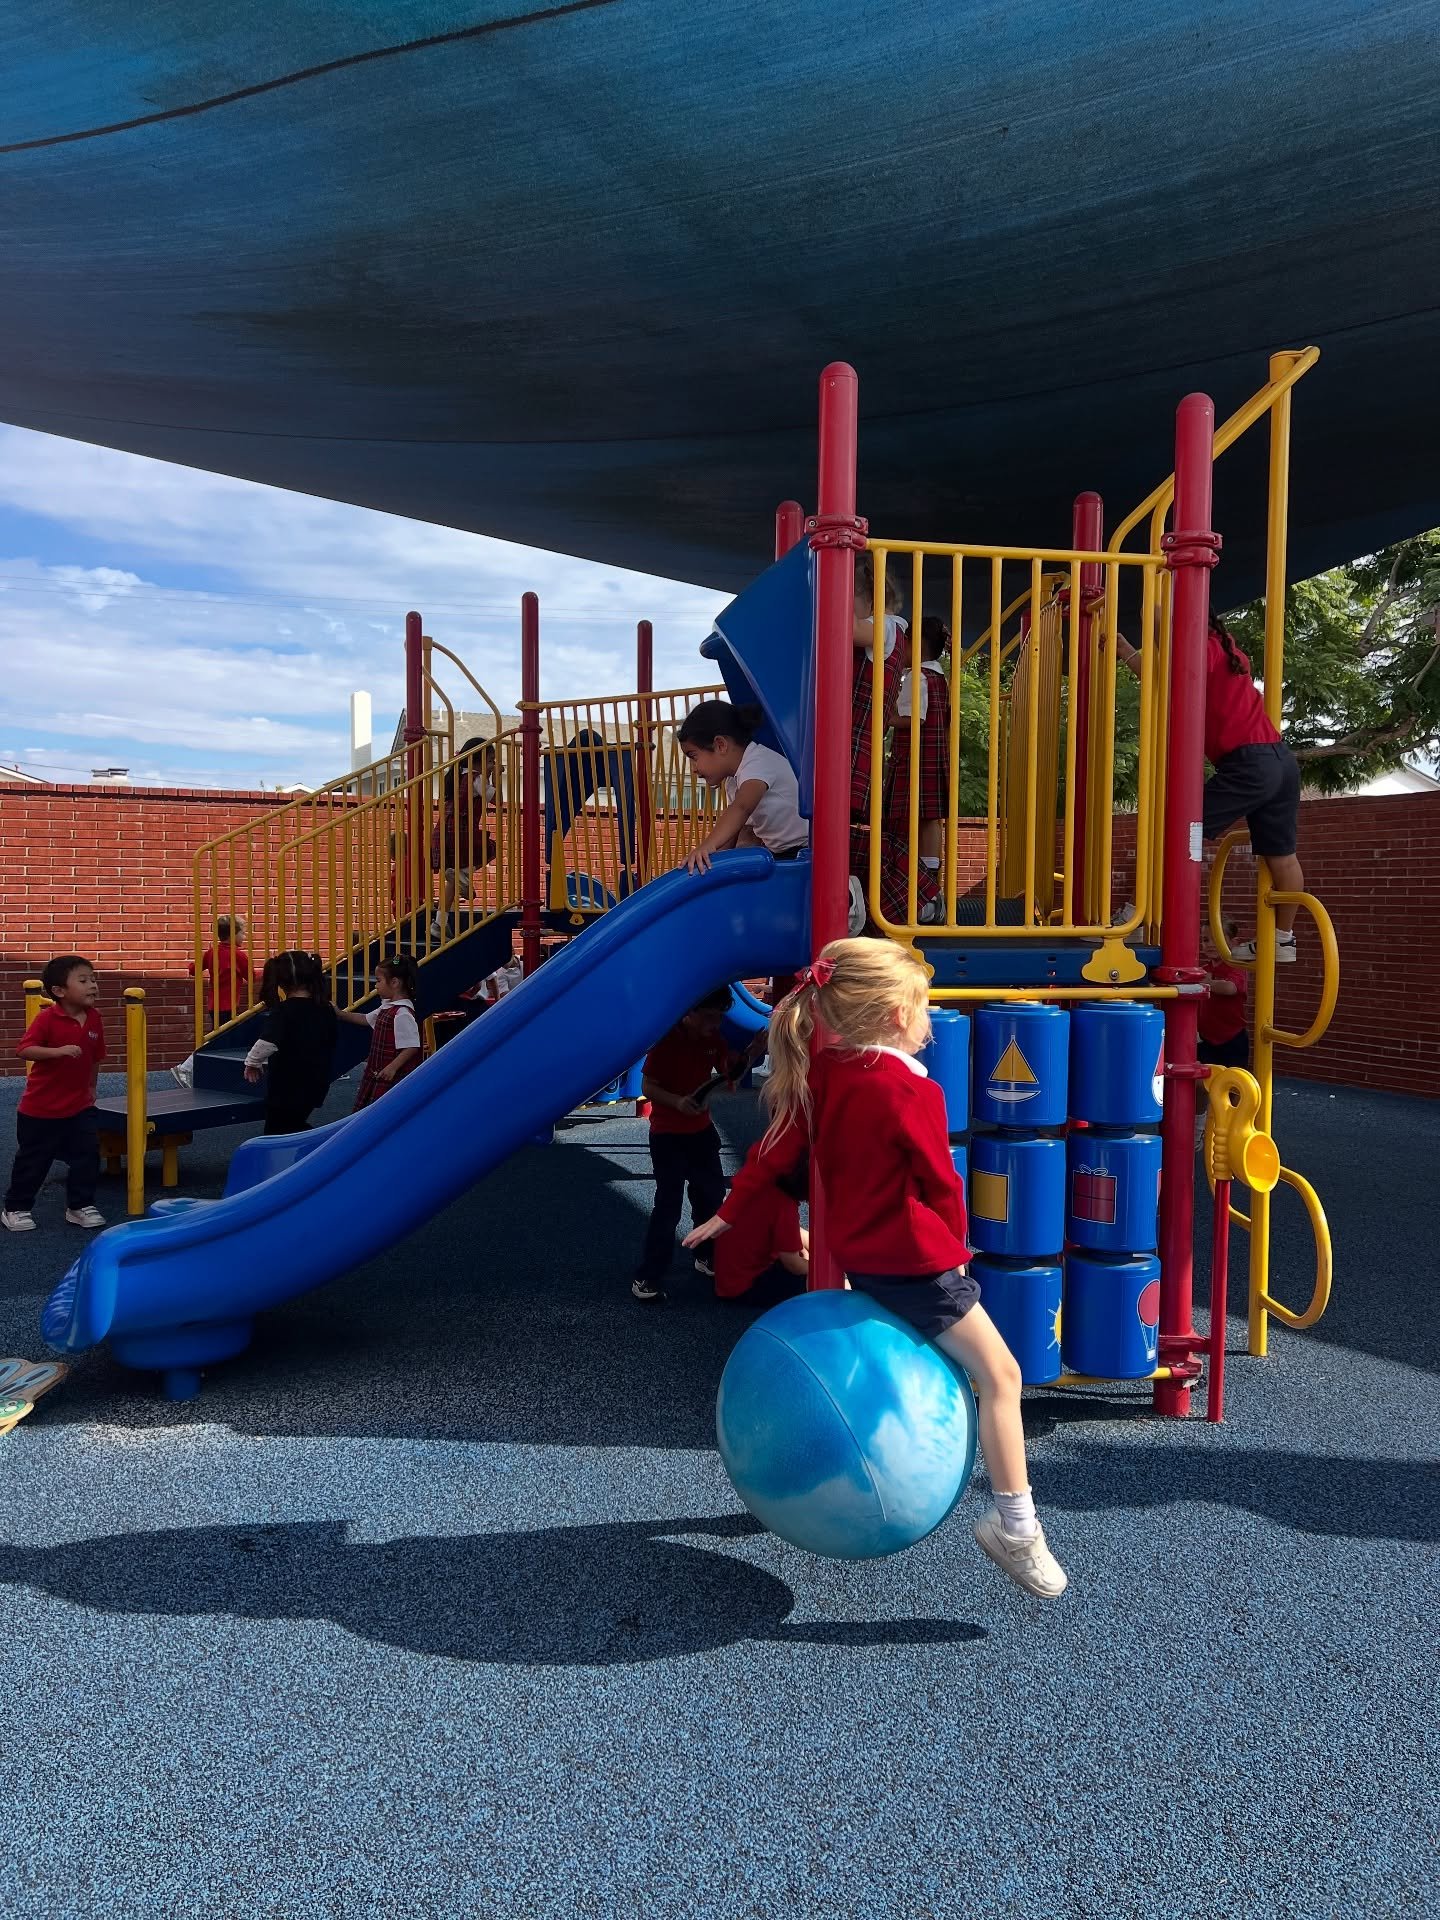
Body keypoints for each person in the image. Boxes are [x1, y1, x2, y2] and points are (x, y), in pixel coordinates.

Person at [686, 939, 1068, 1599]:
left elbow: (776, 1150)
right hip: (915, 1264)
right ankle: (1017, 1527)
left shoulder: (826, 1070)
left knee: (938, 1361)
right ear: (895, 1014)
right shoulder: (908, 1091)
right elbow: (941, 1181)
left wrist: (731, 1210)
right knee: (1002, 1377)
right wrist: (957, 1247)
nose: (928, 1025)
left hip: (865, 1259)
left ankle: (820, 1456)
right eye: (924, 1011)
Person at [1117, 615, 1304, 962]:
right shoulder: (1224, 644)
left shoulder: (1199, 649)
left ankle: (1136, 917)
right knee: (1283, 857)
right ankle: (1283, 939)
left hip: (1249, 763)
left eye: (1159, 620)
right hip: (1280, 760)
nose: (1155, 627)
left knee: (1171, 831)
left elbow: (1164, 685)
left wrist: (1126, 650)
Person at [632, 987, 757, 1303]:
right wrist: (677, 1101)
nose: (715, 1023)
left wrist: (753, 1052)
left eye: (719, 1017)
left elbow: (727, 1072)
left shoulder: (712, 1040)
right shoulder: (667, 1042)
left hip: (701, 1131)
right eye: (709, 1017)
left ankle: (705, 1255)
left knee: (711, 1195)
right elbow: (648, 1085)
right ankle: (648, 1275)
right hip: (668, 1135)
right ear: (689, 1014)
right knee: (668, 1206)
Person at [3, 955, 107, 1232]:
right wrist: (57, 1052)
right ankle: (16, 1208)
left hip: (79, 1105)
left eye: (93, 979)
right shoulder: (48, 1018)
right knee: (34, 1161)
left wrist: (91, 1087)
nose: (92, 985)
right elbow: (24, 1049)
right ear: (59, 991)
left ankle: (79, 1206)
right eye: (83, 980)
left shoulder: (94, 1018)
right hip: (40, 1109)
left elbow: (95, 1057)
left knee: (87, 1154)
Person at [677, 701, 809, 872]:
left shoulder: (758, 762)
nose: (693, 768)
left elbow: (742, 808)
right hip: (781, 853)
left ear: (720, 745)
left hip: (806, 850)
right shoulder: (733, 781)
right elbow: (735, 829)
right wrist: (713, 861)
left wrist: (707, 846)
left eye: (694, 757)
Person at [690, 1138, 809, 1309]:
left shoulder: (757, 1187)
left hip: (729, 1278)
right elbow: (793, 1265)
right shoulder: (784, 1206)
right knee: (813, 1282)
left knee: (801, 1249)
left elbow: (794, 1234)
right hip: (747, 1286)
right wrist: (823, 1268)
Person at [888, 614, 952, 924]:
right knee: (929, 819)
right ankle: (932, 886)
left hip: (915, 757)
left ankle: (924, 891)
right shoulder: (939, 677)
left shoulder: (918, 677)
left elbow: (914, 719)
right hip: (932, 755)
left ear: (917, 644)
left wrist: (885, 718)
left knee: (912, 820)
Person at [242, 950, 339, 1135]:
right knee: (295, 1122)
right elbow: (332, 1039)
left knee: (277, 1129)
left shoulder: (284, 1011)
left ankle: (305, 1154)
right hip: (316, 1081)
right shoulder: (325, 1008)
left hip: (287, 1085)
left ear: (280, 982)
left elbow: (267, 1042)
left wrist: (252, 1062)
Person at [431, 738, 498, 940]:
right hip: (462, 831)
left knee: (453, 878)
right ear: (477, 761)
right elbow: (498, 800)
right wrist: (494, 777)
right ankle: (464, 878)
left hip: (445, 830)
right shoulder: (477, 779)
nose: (493, 765)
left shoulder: (456, 776)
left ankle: (439, 923)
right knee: (489, 848)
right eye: (490, 761)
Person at [338, 955, 422, 1111]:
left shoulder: (402, 1013)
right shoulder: (388, 1007)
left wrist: (392, 1067)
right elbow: (365, 1019)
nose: (376, 986)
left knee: (385, 1109)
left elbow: (412, 1046)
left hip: (390, 1075)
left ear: (395, 983)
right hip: (377, 1070)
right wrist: (341, 1014)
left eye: (378, 981)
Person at [1198, 919, 1250, 1073]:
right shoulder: (1203, 970)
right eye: (1206, 940)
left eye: (1217, 939)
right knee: (1206, 1080)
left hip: (1232, 1037)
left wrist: (1208, 983)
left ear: (1233, 942)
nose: (1210, 944)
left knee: (1233, 1081)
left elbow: (1230, 988)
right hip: (1206, 1037)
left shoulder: (1237, 966)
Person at [189, 916, 250, 1030]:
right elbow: (252, 977)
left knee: (218, 1035)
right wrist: (268, 969)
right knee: (228, 1038)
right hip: (229, 1006)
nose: (244, 937)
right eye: (242, 933)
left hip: (213, 1006)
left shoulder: (212, 952)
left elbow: (193, 970)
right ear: (233, 935)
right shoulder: (238, 955)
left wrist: (191, 965)